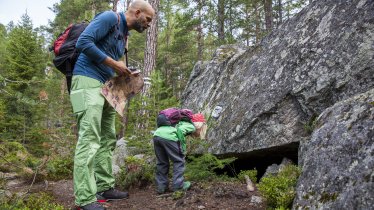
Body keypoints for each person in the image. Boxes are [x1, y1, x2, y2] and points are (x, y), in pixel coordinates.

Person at [70, 1, 155, 210]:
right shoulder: (109, 18)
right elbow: (83, 43)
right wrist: (115, 64)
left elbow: (108, 59)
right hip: (86, 81)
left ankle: (104, 187)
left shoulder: (124, 34)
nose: (149, 25)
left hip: (107, 88)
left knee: (108, 137)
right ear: (137, 12)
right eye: (148, 19)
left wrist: (123, 72)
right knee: (89, 138)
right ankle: (84, 198)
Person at [153, 113, 206, 194]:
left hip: (157, 135)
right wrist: (182, 147)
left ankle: (161, 187)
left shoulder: (180, 122)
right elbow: (179, 131)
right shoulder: (191, 126)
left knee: (162, 162)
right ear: (200, 124)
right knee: (179, 161)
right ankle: (178, 186)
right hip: (169, 136)